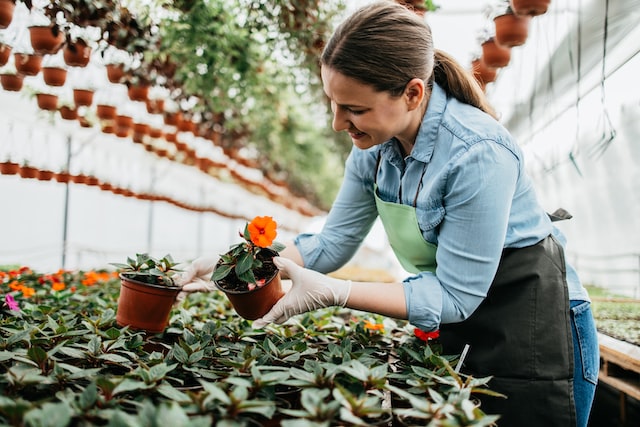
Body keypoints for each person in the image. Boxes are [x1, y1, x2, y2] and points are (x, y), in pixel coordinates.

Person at [177, 2, 599, 426]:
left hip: (534, 326)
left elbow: (456, 296)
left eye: (354, 109)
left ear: (413, 93)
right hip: (463, 320)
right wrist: (239, 266)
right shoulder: (375, 150)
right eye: (334, 104)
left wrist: (336, 292)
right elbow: (331, 242)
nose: (338, 123)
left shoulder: (477, 153)